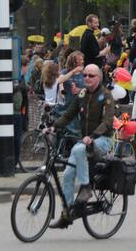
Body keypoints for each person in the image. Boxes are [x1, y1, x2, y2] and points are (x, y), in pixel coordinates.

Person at [47, 64, 115, 228]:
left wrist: (92, 137)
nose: (87, 78)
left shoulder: (106, 96)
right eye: (84, 75)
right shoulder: (82, 94)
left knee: (78, 149)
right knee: (68, 175)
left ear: (99, 77)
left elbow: (107, 122)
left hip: (102, 141)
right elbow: (69, 114)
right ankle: (68, 212)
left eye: (91, 76)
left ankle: (85, 187)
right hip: (84, 141)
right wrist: (54, 127)